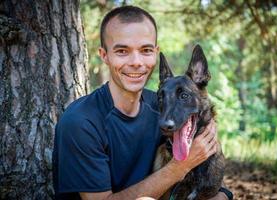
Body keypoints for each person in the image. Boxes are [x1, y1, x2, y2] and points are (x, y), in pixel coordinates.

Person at [52, 5, 232, 200]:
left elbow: (210, 174)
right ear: (104, 56)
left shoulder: (163, 106)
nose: (136, 62)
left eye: (145, 50)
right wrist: (180, 166)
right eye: (122, 51)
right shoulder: (81, 122)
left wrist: (222, 194)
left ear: (156, 52)